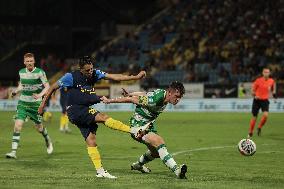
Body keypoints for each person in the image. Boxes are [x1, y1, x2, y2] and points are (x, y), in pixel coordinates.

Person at [38, 56, 149, 179]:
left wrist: (135, 77)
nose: (90, 72)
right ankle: (134, 130)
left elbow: (114, 76)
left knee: (91, 140)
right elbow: (53, 87)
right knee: (103, 117)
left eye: (91, 69)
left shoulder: (95, 73)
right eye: (87, 70)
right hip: (75, 110)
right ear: (81, 69)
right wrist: (42, 104)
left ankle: (100, 171)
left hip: (82, 109)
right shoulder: (71, 77)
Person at [101, 81, 188, 179]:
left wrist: (130, 93)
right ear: (170, 93)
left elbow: (144, 94)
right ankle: (177, 170)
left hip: (148, 126)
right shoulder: (157, 99)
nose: (178, 99)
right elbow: (132, 100)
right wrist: (109, 101)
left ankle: (138, 165)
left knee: (155, 153)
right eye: (176, 96)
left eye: (180, 97)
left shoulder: (163, 94)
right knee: (159, 142)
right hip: (138, 127)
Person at [6, 53, 53, 159]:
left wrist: (40, 95)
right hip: (23, 103)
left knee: (39, 128)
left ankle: (47, 139)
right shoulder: (21, 72)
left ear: (34, 61)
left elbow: (47, 86)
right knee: (17, 126)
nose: (29, 63)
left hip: (35, 104)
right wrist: (16, 91)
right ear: (24, 62)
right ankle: (13, 152)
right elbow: (22, 84)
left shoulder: (40, 72)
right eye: (27, 61)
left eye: (31, 61)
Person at [248, 68, 277, 137]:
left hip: (265, 100)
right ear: (262, 73)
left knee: (266, 115)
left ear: (269, 73)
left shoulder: (271, 81)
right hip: (257, 100)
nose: (266, 73)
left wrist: (275, 97)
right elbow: (252, 91)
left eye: (268, 72)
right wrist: (255, 95)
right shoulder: (258, 81)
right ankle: (250, 132)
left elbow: (273, 90)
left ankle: (259, 127)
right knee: (254, 117)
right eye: (265, 72)